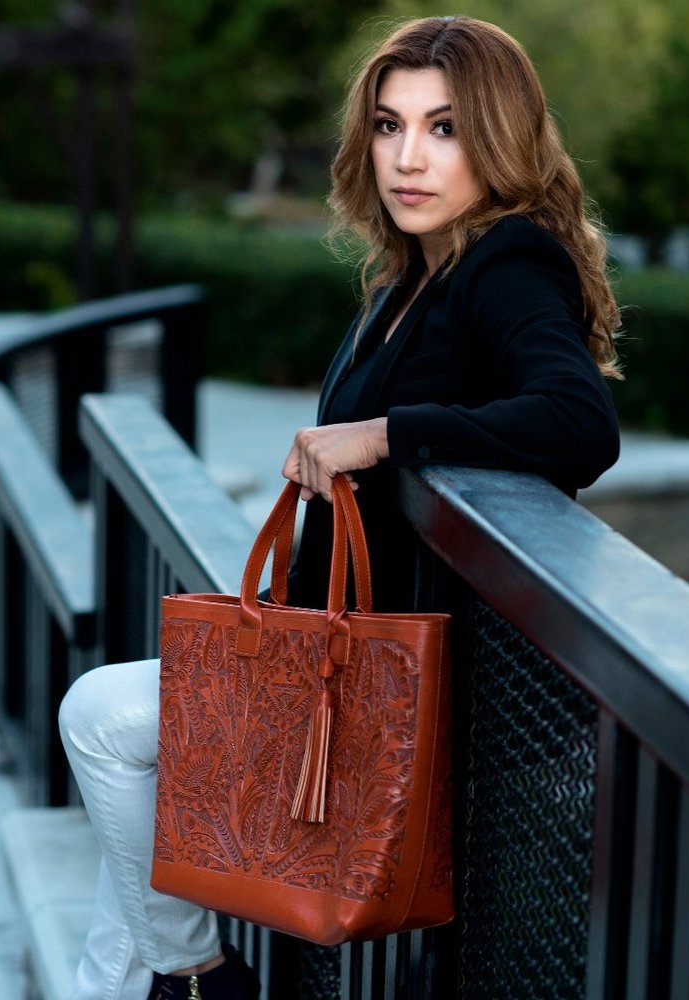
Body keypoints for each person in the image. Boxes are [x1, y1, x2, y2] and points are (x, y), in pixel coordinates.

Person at [59, 15, 620, 1000]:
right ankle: (159, 978)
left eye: (443, 129)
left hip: (396, 696)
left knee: (102, 718)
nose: (407, 157)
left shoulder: (507, 260)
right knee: (122, 859)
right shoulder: (412, 271)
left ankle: (196, 978)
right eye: (387, 125)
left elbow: (578, 421)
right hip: (330, 664)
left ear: (498, 135)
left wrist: (387, 432)